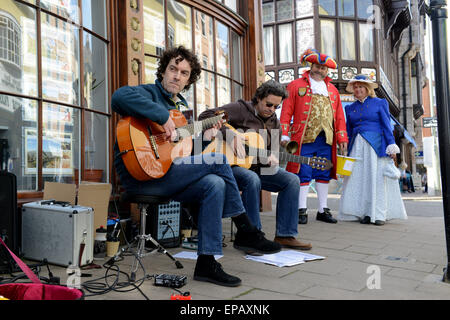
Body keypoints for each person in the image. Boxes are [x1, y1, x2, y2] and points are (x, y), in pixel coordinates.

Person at [111, 46, 280, 287]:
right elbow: (119, 97)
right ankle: (245, 229)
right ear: (163, 71)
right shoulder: (148, 93)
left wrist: (206, 137)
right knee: (219, 161)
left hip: (167, 173)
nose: (176, 76)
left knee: (214, 183)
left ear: (189, 79)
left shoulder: (181, 110)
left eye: (183, 72)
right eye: (172, 69)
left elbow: (179, 152)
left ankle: (206, 262)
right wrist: (162, 116)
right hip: (141, 174)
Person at [198, 80, 312, 250]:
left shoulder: (274, 122)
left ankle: (285, 235)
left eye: (276, 107)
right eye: (269, 104)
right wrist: (231, 136)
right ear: (258, 98)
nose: (272, 110)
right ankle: (252, 236)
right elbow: (205, 116)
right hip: (229, 166)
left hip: (255, 167)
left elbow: (269, 155)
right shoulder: (240, 109)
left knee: (292, 180)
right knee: (251, 179)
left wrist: (271, 158)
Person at [280, 48, 348, 225]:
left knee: (323, 171)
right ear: (311, 66)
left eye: (324, 68)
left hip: (326, 138)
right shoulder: (295, 85)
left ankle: (322, 209)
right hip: (303, 137)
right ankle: (301, 209)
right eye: (318, 66)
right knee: (303, 171)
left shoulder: (332, 90)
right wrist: (285, 134)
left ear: (327, 71)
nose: (320, 70)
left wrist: (342, 138)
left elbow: (339, 116)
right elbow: (286, 111)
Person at [338, 74, 407, 225]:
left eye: (360, 87)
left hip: (376, 146)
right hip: (357, 147)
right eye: (355, 87)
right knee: (360, 180)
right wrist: (346, 149)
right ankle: (365, 213)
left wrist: (391, 146)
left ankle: (379, 214)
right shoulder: (350, 108)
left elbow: (386, 126)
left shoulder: (379, 103)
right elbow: (349, 131)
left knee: (377, 179)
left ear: (368, 89)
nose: (357, 90)